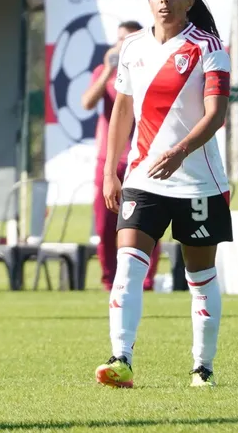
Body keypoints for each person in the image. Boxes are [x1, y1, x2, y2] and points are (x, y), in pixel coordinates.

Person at [96, 0, 231, 389]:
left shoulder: (209, 46)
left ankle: (202, 368)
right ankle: (121, 358)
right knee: (128, 266)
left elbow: (216, 114)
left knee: (200, 277)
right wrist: (109, 170)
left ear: (190, 0)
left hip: (198, 182)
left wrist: (180, 151)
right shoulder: (132, 47)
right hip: (143, 178)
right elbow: (122, 109)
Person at [81, 21, 161, 292]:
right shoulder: (104, 72)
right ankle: (109, 281)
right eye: (118, 40)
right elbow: (87, 103)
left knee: (147, 221)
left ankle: (145, 281)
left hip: (142, 157)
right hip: (110, 159)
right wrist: (107, 72)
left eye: (127, 40)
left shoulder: (149, 69)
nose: (120, 45)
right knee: (105, 223)